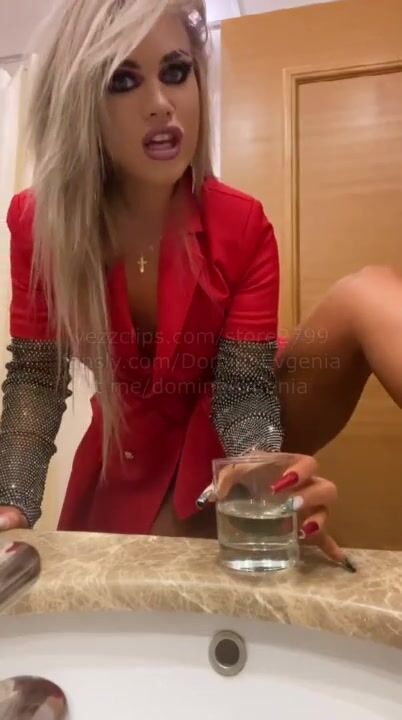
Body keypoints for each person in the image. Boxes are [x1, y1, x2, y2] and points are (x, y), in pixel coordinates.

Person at [0, 0, 388, 571]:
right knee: (123, 601)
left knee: (370, 292)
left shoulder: (242, 222)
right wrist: (12, 503)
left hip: (231, 420)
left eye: (176, 72)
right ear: (79, 103)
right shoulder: (38, 224)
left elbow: (243, 387)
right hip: (127, 451)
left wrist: (260, 466)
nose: (161, 103)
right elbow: (38, 376)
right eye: (123, 81)